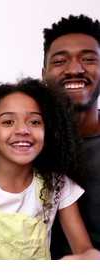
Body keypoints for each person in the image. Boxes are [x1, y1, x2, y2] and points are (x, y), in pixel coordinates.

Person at [0, 77, 100, 259]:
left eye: (34, 122)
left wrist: (89, 258)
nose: (23, 130)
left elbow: (83, 250)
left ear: (47, 134)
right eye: (8, 122)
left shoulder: (58, 184)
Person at [41, 14, 100, 259]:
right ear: (44, 75)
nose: (75, 69)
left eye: (88, 59)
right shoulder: (24, 141)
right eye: (60, 61)